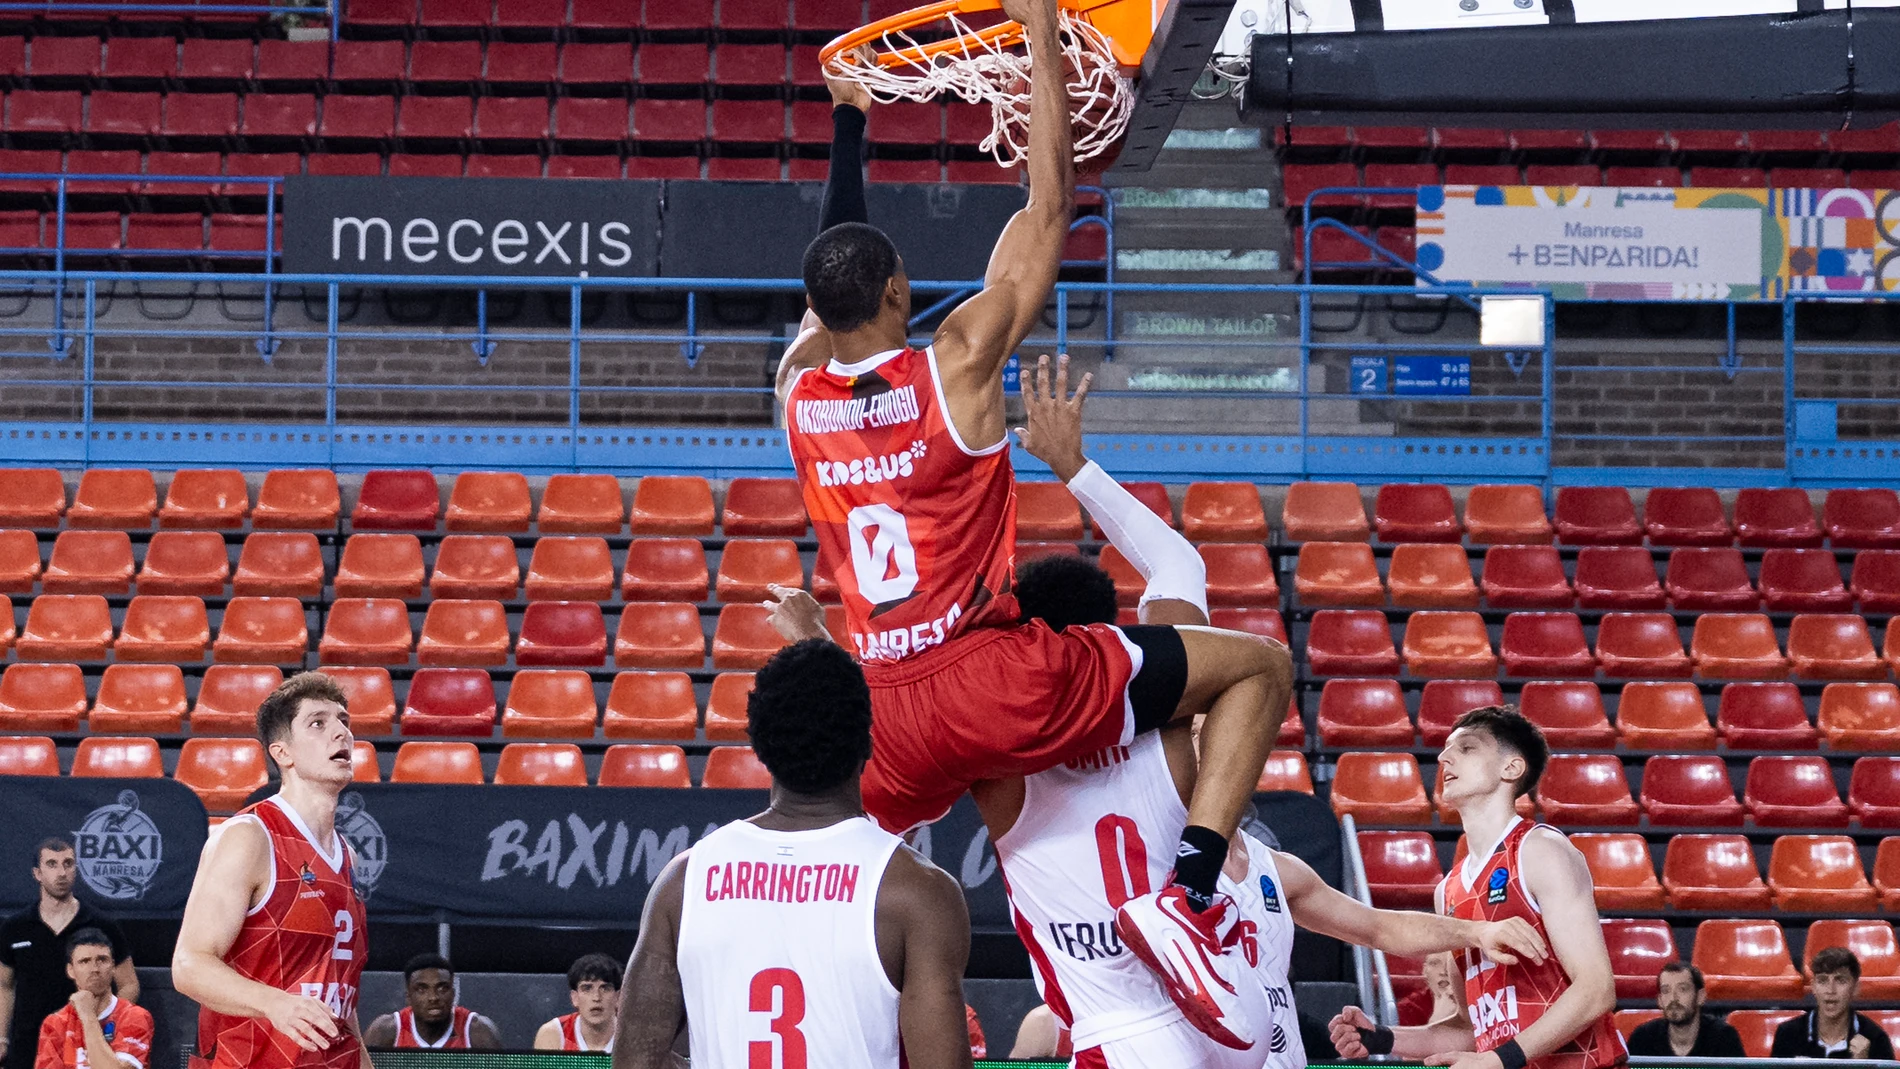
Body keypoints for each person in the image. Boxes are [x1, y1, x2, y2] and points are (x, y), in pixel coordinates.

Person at [770, 360, 1547, 1066]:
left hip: (1120, 1035)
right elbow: (1178, 563)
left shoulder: (996, 756)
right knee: (1249, 667)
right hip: (1228, 1027)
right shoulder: (1173, 717)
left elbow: (901, 709)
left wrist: (819, 639)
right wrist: (1071, 464)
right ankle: (1191, 890)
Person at [778, 0, 1291, 1048]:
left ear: (817, 316)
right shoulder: (955, 363)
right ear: (899, 288)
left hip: (884, 714)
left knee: (845, 884)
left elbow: (826, 278)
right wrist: (1044, 42)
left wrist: (847, 125)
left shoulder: (795, 393)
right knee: (1257, 670)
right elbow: (1050, 204)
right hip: (987, 677)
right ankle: (1190, 897)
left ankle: (812, 1018)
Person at [613, 639, 975, 1069]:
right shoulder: (917, 892)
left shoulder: (683, 882)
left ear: (760, 746)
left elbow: (635, 1062)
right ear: (868, 743)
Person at [1329, 708, 1625, 1069]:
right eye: (1445, 750)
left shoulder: (1540, 849)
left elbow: (1596, 990)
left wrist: (1500, 1060)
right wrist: (1386, 1037)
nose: (1443, 758)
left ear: (1511, 769)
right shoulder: (1449, 889)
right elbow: (1471, 1027)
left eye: (1467, 748)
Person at [172, 672, 369, 1069]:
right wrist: (274, 1003)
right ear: (283, 752)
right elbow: (189, 965)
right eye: (318, 723)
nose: (341, 733)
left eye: (344, 721)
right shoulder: (251, 836)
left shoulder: (347, 855)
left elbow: (338, 998)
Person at [0, 842, 138, 1069]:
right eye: (52, 864)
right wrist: (2, 1039)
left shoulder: (103, 925)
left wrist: (109, 1029)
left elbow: (129, 983)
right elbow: (3, 986)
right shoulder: (15, 928)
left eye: (68, 864)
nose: (61, 873)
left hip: (85, 1048)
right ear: (37, 873)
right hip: (27, 1047)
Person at [32, 929, 152, 1069]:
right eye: (84, 961)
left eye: (102, 960)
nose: (94, 968)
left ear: (113, 966)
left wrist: (88, 1016)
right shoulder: (55, 1023)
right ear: (71, 970)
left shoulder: (134, 1016)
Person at [1770, 948, 1897, 1060]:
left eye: (1840, 980)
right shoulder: (1788, 1034)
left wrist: (1863, 1065)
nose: (1830, 990)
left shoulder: (1874, 1037)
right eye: (1822, 980)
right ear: (1813, 987)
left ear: (1855, 988)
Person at [362, 954, 500, 1050]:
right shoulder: (386, 1030)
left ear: (453, 994)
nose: (433, 997)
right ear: (408, 996)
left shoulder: (477, 1030)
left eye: (442, 988)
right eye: (422, 989)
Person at [1623, 963, 1742, 1057]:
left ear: (1700, 997)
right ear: (1659, 1000)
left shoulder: (1723, 1037)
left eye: (1682, 989)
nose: (1673, 998)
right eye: (1666, 991)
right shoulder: (1643, 1038)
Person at [533, 955, 620, 1053]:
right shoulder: (553, 1033)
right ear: (574, 998)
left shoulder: (634, 1036)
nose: (596, 997)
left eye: (605, 988)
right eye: (587, 988)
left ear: (617, 997)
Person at [1398, 955, 1464, 1028]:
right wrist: (1436, 1021)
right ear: (1424, 971)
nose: (1443, 972)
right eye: (1434, 963)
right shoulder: (1407, 1010)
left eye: (1453, 963)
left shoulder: (1477, 999)